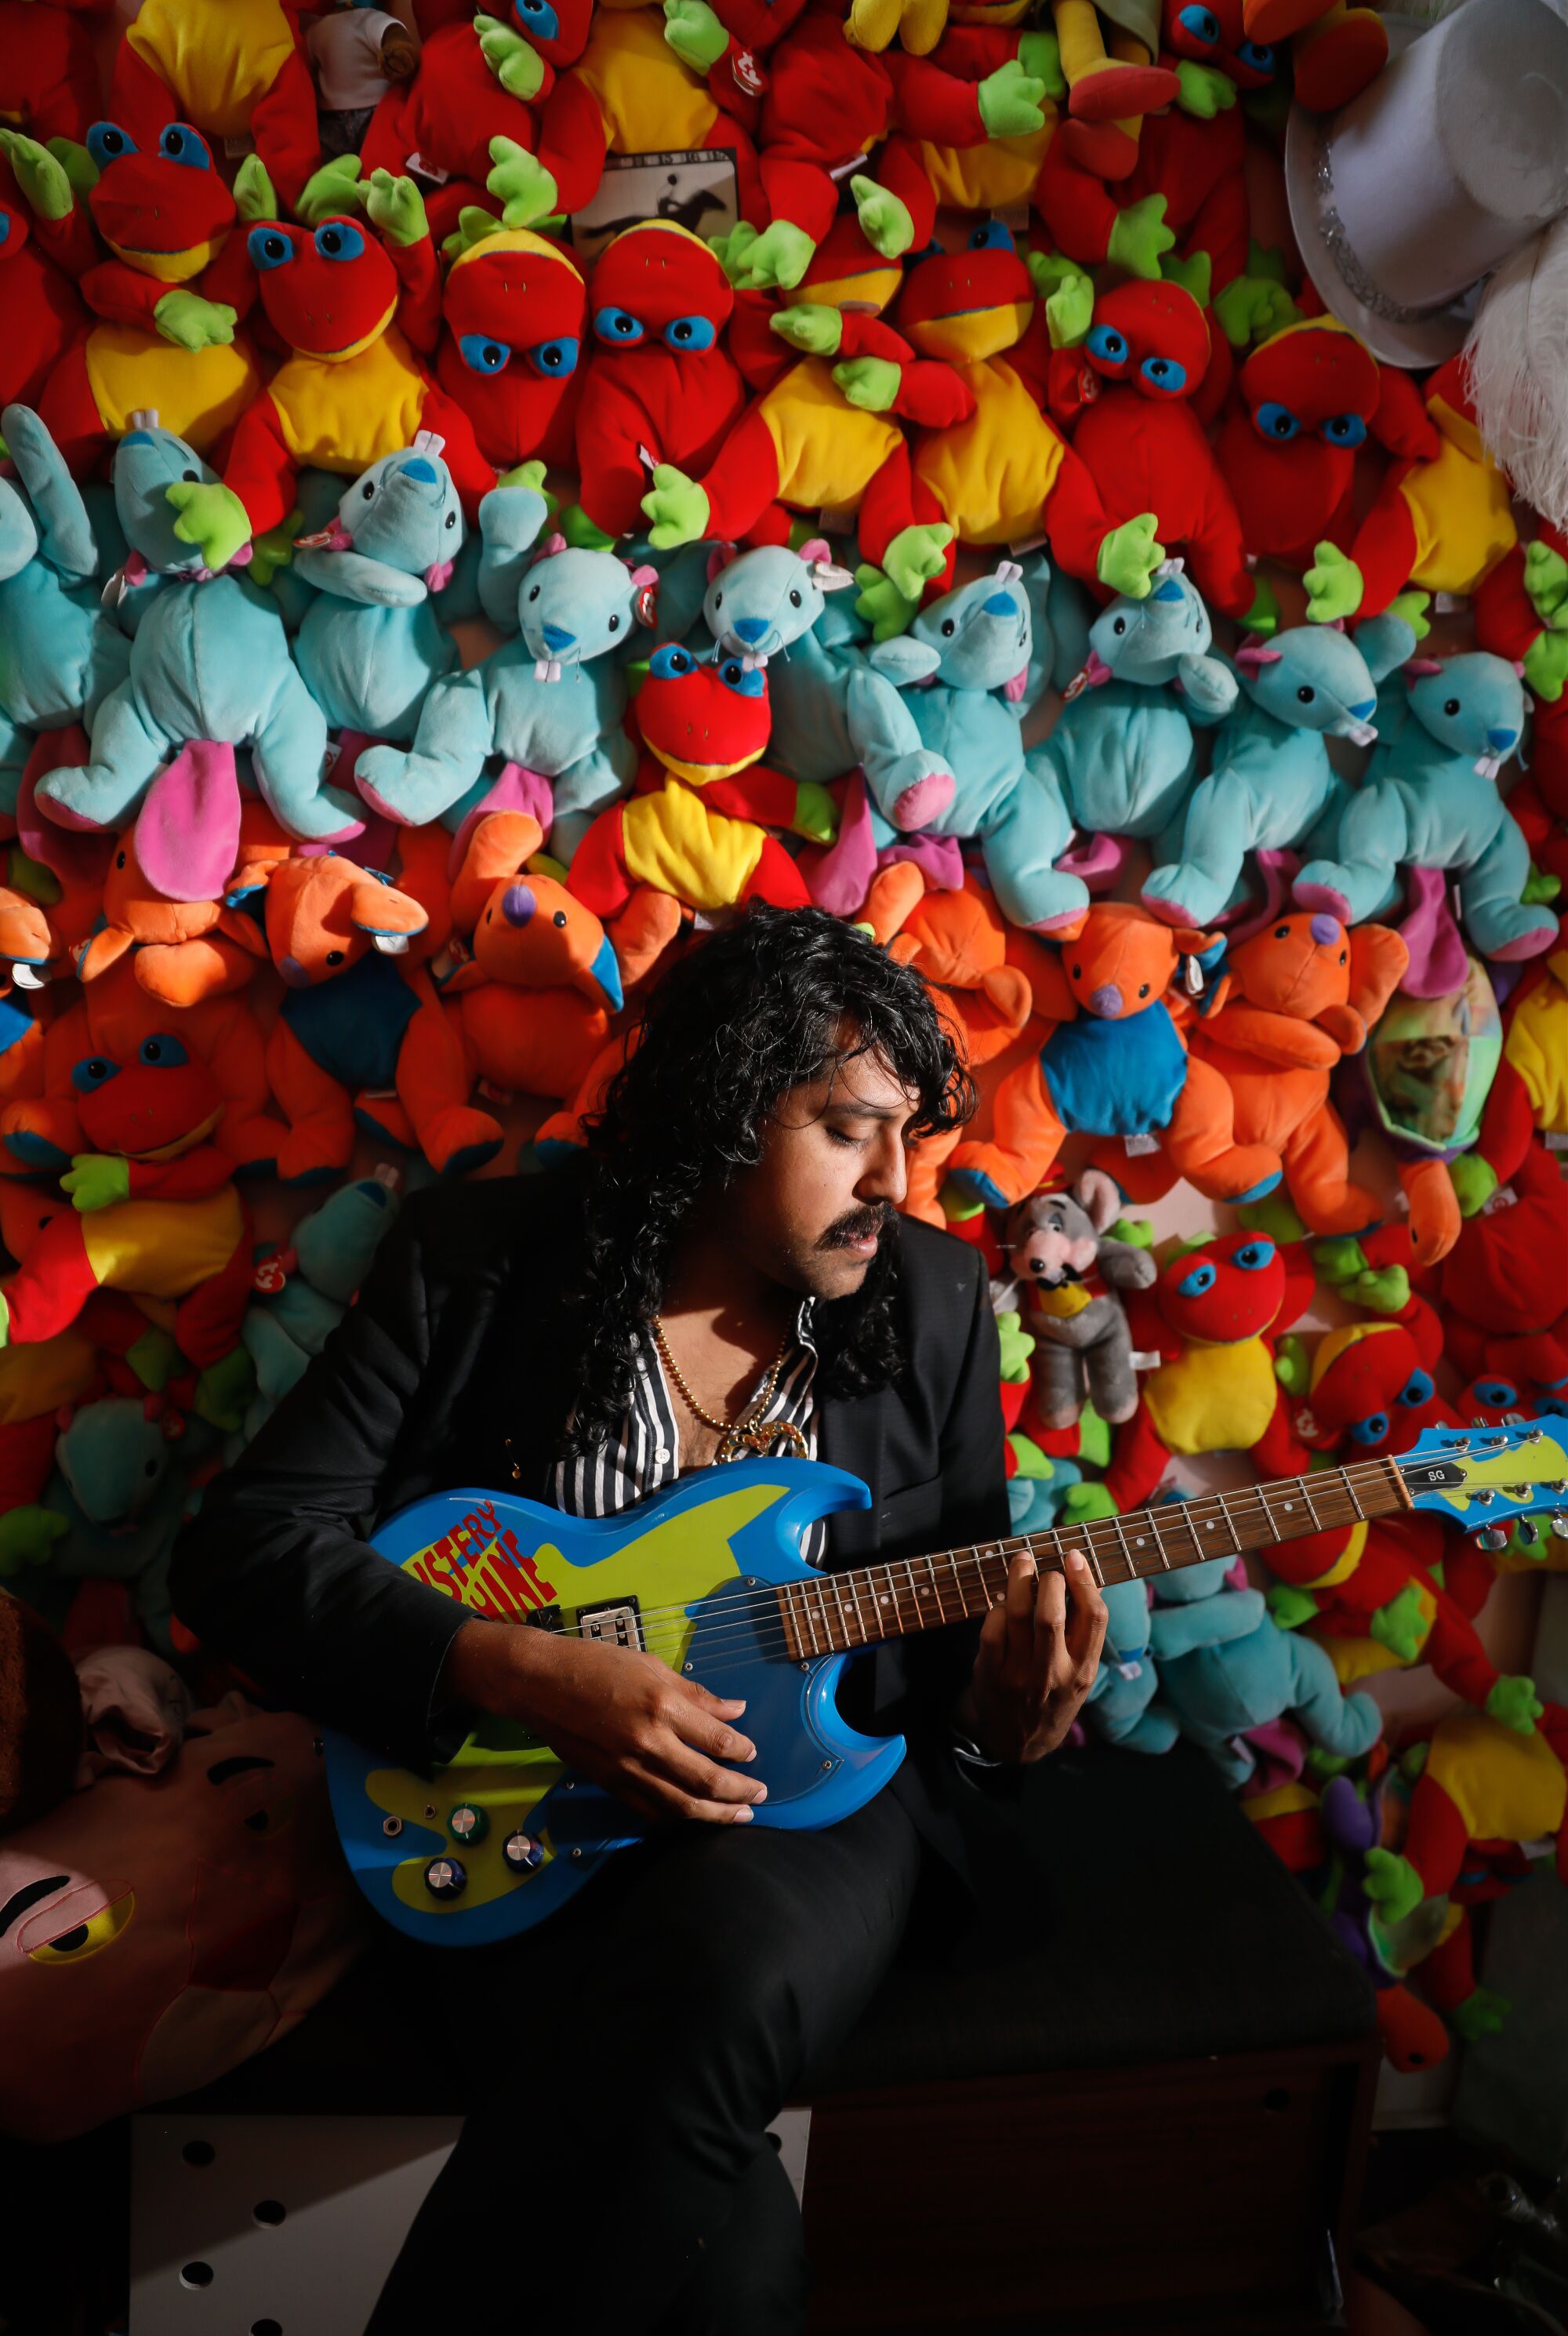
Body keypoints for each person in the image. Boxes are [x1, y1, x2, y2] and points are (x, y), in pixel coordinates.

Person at [170, 905, 1109, 2334]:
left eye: (910, 1137)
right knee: (732, 2276)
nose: (896, 1184)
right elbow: (240, 1551)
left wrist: (998, 1725)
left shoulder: (932, 1297)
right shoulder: (480, 1260)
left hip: (803, 1812)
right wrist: (506, 1667)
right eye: (849, 1130)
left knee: (723, 1973)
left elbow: (945, 1649)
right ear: (726, 1107)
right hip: (495, 1817)